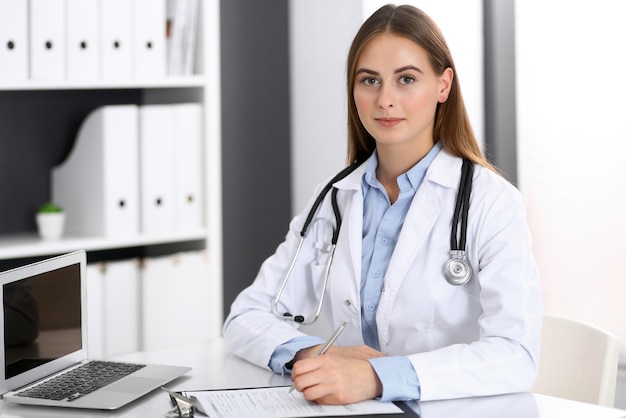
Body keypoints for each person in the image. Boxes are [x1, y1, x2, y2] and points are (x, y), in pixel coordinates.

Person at [223, 4, 542, 405]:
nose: (385, 100)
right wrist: (315, 353)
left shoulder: (491, 203)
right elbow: (244, 318)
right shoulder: (334, 197)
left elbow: (516, 354)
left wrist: (376, 377)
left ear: (444, 86)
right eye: (369, 80)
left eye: (406, 79)